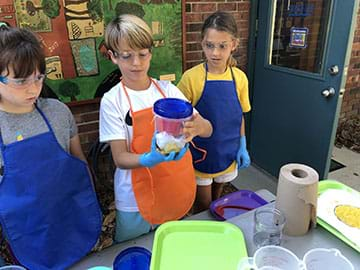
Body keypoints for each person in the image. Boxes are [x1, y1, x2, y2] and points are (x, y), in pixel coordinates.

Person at [100, 14, 212, 243]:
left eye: (142, 54)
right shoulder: (113, 100)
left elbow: (208, 128)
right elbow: (120, 158)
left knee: (170, 245)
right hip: (134, 198)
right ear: (112, 57)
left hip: (173, 187)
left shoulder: (168, 91)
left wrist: (196, 127)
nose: (136, 63)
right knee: (132, 250)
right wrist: (149, 159)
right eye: (126, 56)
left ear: (150, 53)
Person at [0, 26, 102, 269]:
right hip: (29, 232)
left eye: (38, 77)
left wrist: (90, 202)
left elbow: (79, 162)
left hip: (72, 217)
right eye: (21, 80)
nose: (33, 88)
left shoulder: (57, 112)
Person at [177, 11, 251, 213]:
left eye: (222, 46)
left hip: (228, 152)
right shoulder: (191, 78)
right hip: (200, 155)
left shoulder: (240, 78)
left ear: (233, 45)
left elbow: (239, 115)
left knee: (217, 202)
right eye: (210, 45)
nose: (215, 53)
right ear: (202, 43)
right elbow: (177, 119)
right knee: (202, 207)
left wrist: (242, 144)